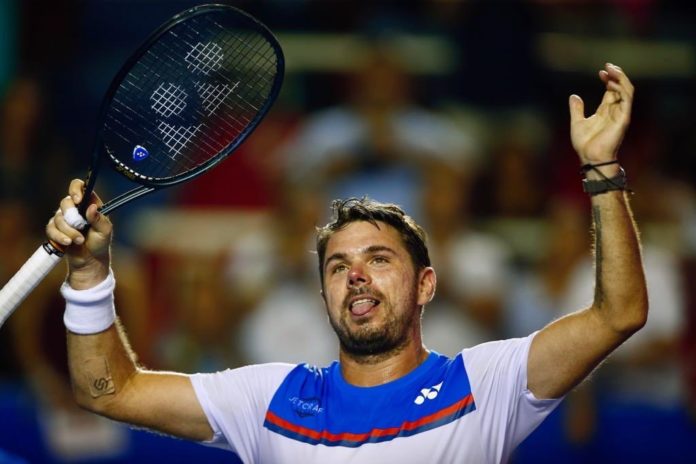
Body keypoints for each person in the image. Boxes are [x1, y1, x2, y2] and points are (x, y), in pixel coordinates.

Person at [45, 64, 646, 463]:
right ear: (325, 294)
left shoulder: (486, 384)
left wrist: (601, 173)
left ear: (425, 286)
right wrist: (88, 275)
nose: (354, 273)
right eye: (336, 266)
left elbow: (618, 314)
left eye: (379, 258)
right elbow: (108, 392)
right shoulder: (267, 399)